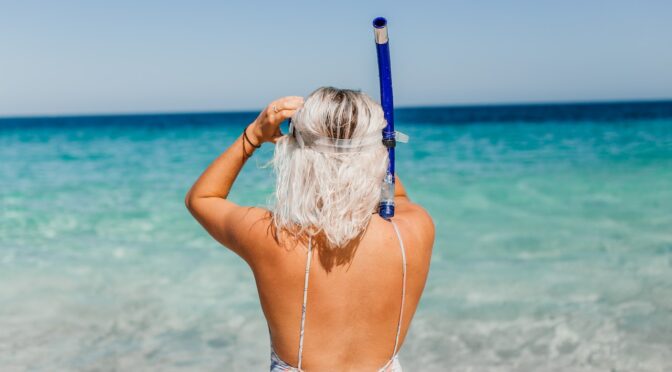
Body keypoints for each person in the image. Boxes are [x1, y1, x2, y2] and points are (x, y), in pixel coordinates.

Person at [185, 87, 434, 371]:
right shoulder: (413, 229)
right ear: (375, 153)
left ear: (299, 157)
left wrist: (253, 135)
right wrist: (371, 147)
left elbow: (202, 198)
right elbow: (395, 194)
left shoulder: (275, 238)